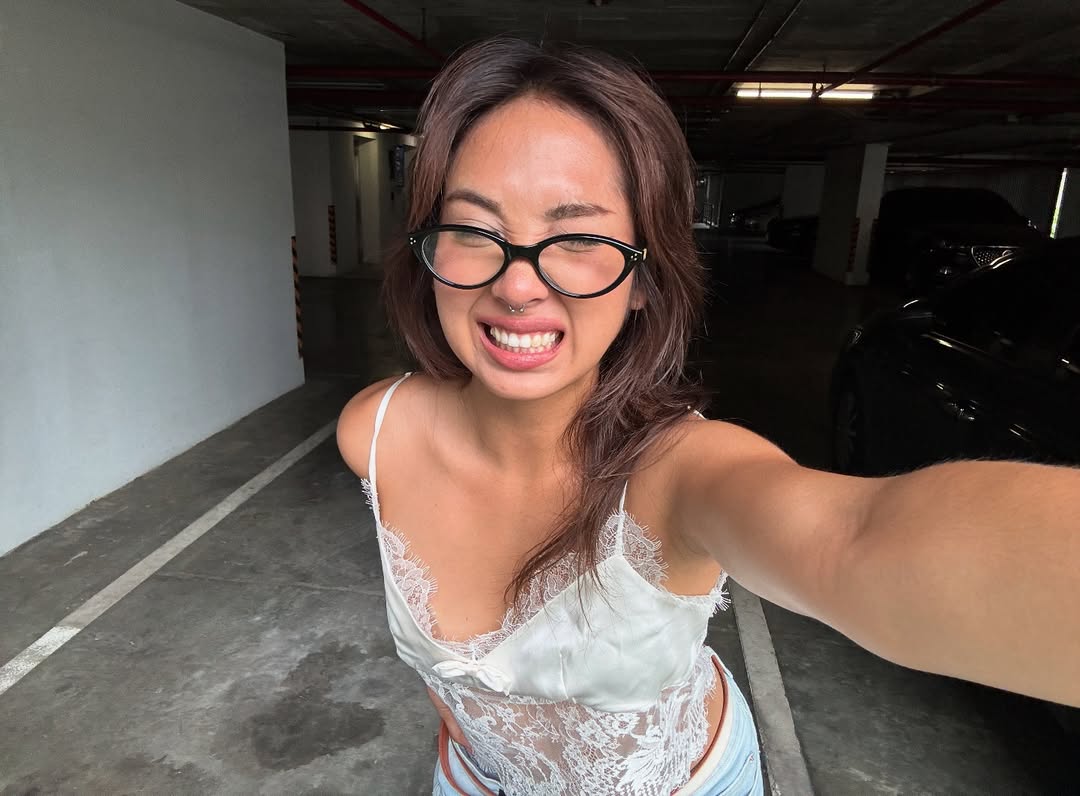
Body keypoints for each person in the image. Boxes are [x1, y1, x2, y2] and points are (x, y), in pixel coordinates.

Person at [336, 37, 1080, 796]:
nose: (518, 286)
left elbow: (857, 541)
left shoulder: (679, 474)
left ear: (642, 279)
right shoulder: (376, 434)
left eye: (579, 237)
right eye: (473, 230)